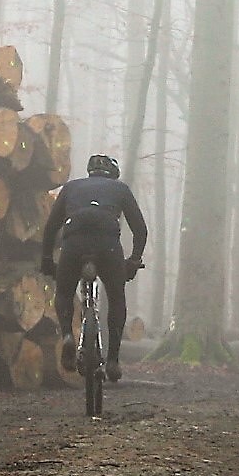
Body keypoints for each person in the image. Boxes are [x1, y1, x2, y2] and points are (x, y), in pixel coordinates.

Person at [40, 153, 148, 380]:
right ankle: (113, 361)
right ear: (112, 174)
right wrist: (133, 261)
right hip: (107, 243)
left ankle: (68, 336)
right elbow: (140, 230)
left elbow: (50, 228)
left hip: (74, 242)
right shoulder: (120, 189)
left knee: (64, 292)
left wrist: (47, 261)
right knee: (117, 297)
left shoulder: (71, 188)